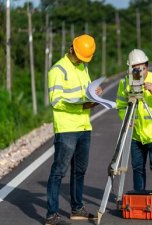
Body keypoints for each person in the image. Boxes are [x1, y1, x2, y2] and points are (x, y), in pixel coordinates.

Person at [45, 34, 102, 225]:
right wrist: (81, 106)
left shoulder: (83, 67)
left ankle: (77, 209)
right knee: (59, 171)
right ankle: (51, 215)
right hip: (67, 128)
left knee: (80, 170)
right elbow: (56, 101)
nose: (81, 60)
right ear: (72, 49)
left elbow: (85, 92)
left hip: (84, 125)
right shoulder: (58, 70)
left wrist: (95, 95)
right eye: (80, 56)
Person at [116, 49, 152, 194]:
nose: (139, 72)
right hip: (135, 133)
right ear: (130, 69)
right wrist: (126, 120)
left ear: (147, 66)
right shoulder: (125, 83)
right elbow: (121, 106)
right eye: (135, 69)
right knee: (137, 167)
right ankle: (138, 198)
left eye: (142, 68)